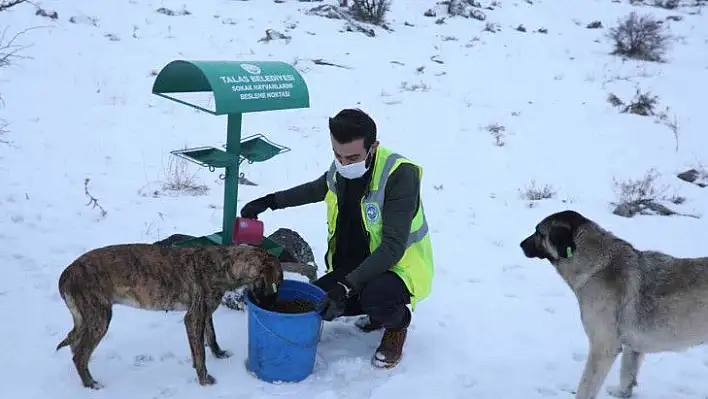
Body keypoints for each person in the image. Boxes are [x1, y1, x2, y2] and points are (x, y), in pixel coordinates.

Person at [239, 108, 434, 369]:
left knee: (376, 297)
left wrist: (345, 287)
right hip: (356, 263)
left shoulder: (400, 175)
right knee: (315, 301)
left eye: (352, 157)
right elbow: (318, 187)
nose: (343, 164)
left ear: (373, 147)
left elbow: (392, 248)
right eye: (337, 156)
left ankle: (396, 325)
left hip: (397, 267)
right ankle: (369, 307)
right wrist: (270, 202)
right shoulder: (344, 166)